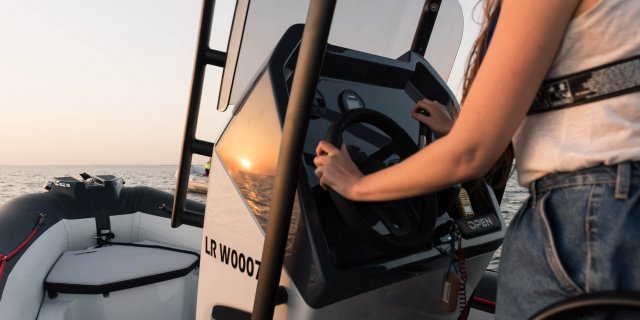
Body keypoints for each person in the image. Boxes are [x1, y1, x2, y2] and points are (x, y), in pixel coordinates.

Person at [314, 0, 640, 318]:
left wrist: (356, 185)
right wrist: (457, 130)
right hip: (616, 206)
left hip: (588, 209)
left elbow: (470, 155)